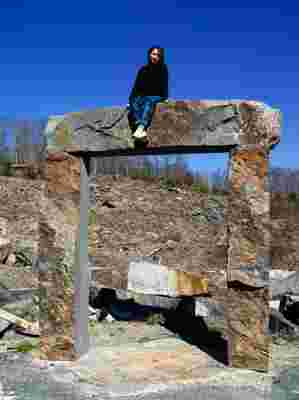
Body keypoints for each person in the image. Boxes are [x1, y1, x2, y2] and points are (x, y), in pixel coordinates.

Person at [128, 46, 169, 139]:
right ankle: (139, 126)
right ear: (149, 54)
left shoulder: (163, 68)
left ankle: (141, 127)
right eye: (153, 54)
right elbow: (136, 86)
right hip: (142, 95)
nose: (155, 56)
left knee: (149, 100)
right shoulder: (142, 69)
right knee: (134, 100)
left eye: (158, 55)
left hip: (157, 96)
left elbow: (165, 83)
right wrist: (130, 100)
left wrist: (165, 97)